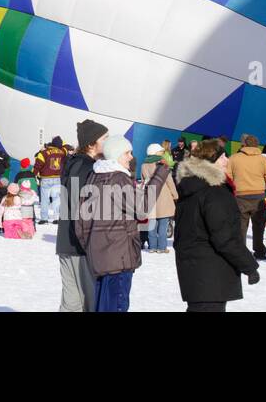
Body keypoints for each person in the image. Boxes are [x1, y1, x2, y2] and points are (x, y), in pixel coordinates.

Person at [76, 135, 168, 312]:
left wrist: (91, 247)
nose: (131, 157)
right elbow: (143, 207)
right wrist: (161, 173)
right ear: (116, 154)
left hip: (101, 259)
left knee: (102, 306)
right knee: (116, 306)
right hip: (118, 258)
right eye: (128, 153)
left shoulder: (94, 177)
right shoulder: (118, 178)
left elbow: (80, 223)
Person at [173, 140, 260, 311]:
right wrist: (249, 265)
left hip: (194, 269)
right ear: (210, 162)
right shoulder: (214, 192)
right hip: (211, 272)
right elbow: (225, 237)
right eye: (222, 157)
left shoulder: (191, 187)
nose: (227, 160)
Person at [57, 119, 106, 312]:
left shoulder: (73, 163)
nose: (108, 142)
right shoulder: (86, 167)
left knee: (72, 304)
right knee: (89, 301)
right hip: (79, 245)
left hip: (67, 241)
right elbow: (82, 207)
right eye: (105, 138)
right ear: (91, 144)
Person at [228, 134, 266, 258]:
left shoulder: (234, 158)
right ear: (256, 145)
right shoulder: (263, 159)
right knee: (259, 225)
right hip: (258, 196)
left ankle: (241, 252)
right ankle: (259, 251)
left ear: (243, 144)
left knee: (241, 226)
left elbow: (227, 176)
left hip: (240, 196)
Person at [142, 143, 178, 252]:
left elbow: (144, 181)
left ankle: (152, 246)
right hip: (163, 196)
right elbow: (169, 181)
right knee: (163, 224)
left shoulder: (144, 165)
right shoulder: (163, 165)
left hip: (151, 196)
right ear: (155, 152)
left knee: (152, 224)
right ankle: (162, 247)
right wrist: (175, 195)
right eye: (161, 151)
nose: (162, 153)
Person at [34, 136, 67, 224]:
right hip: (57, 178)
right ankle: (56, 217)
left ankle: (44, 218)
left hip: (46, 178)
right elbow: (66, 147)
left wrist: (33, 174)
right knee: (57, 199)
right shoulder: (63, 152)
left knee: (44, 199)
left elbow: (38, 165)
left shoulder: (43, 153)